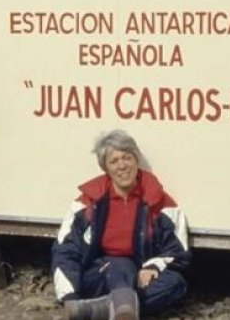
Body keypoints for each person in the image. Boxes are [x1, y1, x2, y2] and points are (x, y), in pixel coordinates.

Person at [52, 130, 190, 320]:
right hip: (101, 273)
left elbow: (178, 252)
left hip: (141, 275)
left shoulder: (160, 203)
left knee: (176, 284)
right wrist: (69, 296)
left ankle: (101, 309)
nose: (122, 166)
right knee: (120, 265)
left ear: (136, 160)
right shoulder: (86, 204)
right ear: (105, 168)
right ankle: (123, 308)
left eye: (127, 157)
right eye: (114, 161)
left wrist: (153, 267)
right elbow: (65, 251)